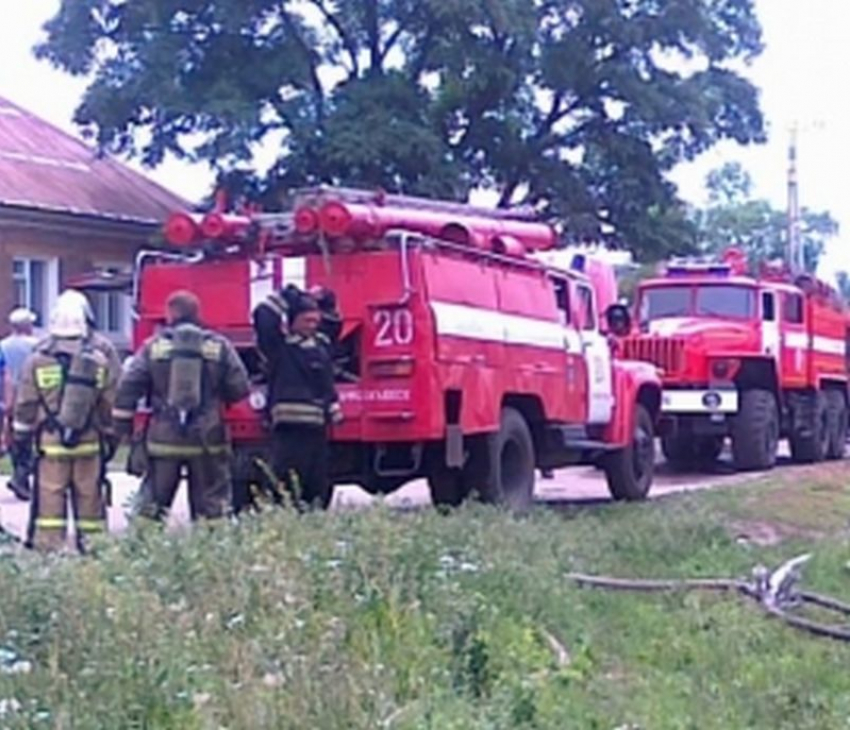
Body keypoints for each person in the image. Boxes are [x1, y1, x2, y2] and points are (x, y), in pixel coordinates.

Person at [112, 290, 250, 521]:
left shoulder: (153, 347)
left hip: (163, 440)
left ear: (170, 314)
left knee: (152, 507)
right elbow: (239, 388)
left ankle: (142, 551)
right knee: (212, 509)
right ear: (198, 313)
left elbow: (128, 388)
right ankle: (210, 552)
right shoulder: (219, 346)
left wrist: (123, 431)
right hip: (208, 440)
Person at [11, 294, 119, 552]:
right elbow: (109, 403)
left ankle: (49, 552)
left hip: (51, 446)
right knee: (90, 500)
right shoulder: (99, 360)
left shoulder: (38, 359)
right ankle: (95, 550)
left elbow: (25, 404)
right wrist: (109, 435)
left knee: (50, 501)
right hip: (89, 443)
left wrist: (21, 439)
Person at [253, 287, 341, 509]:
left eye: (315, 321)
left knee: (317, 485)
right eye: (306, 321)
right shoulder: (279, 348)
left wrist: (326, 300)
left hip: (318, 430)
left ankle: (312, 523)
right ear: (292, 322)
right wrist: (287, 296)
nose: (312, 325)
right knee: (285, 483)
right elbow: (263, 315)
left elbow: (333, 323)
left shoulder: (321, 345)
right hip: (289, 432)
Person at [2, 308, 38, 500]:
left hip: (9, 399)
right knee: (34, 439)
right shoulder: (37, 346)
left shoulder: (3, 346)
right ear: (28, 326)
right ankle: (21, 477)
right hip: (32, 398)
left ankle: (20, 477)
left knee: (15, 440)